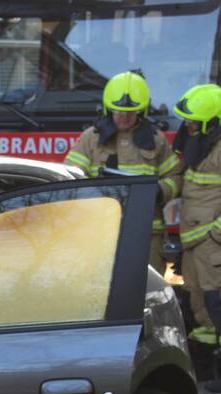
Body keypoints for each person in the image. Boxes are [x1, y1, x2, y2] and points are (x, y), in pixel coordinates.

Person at [172, 83, 221, 392]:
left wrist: (220, 232)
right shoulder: (204, 140)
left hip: (213, 242)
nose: (188, 126)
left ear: (209, 122)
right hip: (196, 242)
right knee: (200, 305)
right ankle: (206, 365)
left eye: (193, 121)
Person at [64, 71, 181, 273]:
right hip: (100, 232)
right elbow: (69, 176)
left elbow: (177, 176)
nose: (124, 116)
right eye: (118, 111)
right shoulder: (91, 138)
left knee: (148, 293)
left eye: (131, 112)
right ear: (108, 109)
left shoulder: (156, 139)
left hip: (146, 234)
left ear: (142, 111)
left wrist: (160, 191)